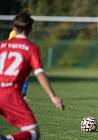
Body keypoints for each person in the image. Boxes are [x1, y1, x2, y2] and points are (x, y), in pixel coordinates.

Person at [0, 12, 64, 140]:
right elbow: (39, 73)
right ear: (30, 29)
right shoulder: (31, 48)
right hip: (9, 93)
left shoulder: (2, 45)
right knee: (33, 132)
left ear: (14, 28)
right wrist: (53, 96)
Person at [8, 30, 29, 100]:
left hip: (19, 60)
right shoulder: (14, 33)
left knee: (25, 76)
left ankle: (23, 94)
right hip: (13, 60)